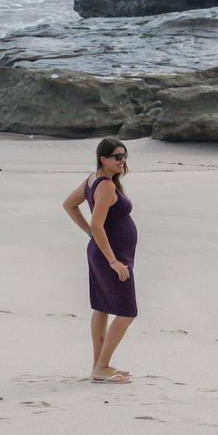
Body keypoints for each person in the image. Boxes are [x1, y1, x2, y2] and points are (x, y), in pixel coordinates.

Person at [62, 137, 137, 384]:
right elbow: (96, 222)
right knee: (127, 312)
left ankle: (98, 366)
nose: (122, 160)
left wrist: (91, 235)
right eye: (117, 156)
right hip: (111, 255)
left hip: (104, 251)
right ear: (102, 158)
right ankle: (102, 366)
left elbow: (70, 205)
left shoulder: (93, 180)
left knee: (103, 307)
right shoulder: (104, 185)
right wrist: (113, 261)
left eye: (124, 155)